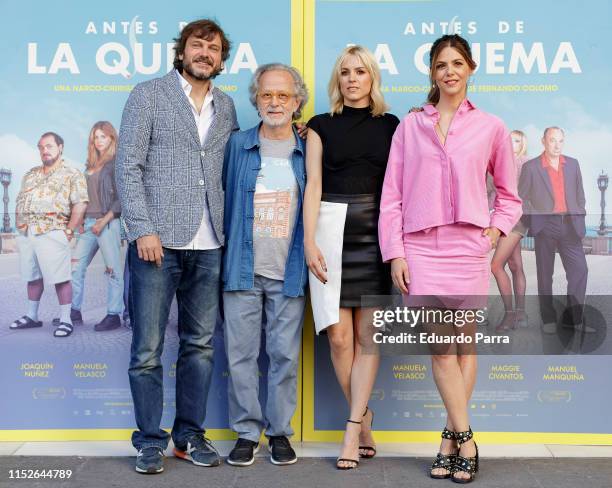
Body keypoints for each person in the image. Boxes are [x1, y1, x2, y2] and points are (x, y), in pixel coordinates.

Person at [378, 34, 521, 483]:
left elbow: (510, 196)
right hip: (421, 247)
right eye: (441, 65)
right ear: (432, 73)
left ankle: (448, 441)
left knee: (465, 345)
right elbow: (392, 196)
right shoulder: (410, 126)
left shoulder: (491, 127)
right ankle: (468, 438)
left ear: (470, 68)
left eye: (457, 63)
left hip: (468, 247)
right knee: (442, 348)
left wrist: (494, 231)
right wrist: (395, 252)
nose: (450, 72)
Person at [115, 19, 238, 474]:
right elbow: (128, 166)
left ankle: (189, 435)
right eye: (197, 45)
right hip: (157, 243)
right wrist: (142, 227)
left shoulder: (226, 107)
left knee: (200, 345)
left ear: (223, 59)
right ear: (181, 51)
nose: (205, 53)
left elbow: (237, 160)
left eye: (214, 48)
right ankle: (150, 441)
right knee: (146, 349)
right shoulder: (148, 95)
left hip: (211, 243)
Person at [304, 45, 399, 470]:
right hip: (330, 230)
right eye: (345, 72)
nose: (352, 79)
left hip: (377, 234)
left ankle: (351, 428)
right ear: (337, 80)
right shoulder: (319, 125)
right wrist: (308, 241)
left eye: (360, 71)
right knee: (339, 338)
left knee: (368, 338)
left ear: (372, 77)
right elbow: (313, 184)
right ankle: (364, 418)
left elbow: (401, 186)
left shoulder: (393, 125)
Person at [222, 63, 308, 467]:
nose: (275, 102)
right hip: (241, 267)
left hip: (288, 270)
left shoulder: (309, 148)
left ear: (297, 102)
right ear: (256, 99)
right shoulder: (236, 145)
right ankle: (245, 432)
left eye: (283, 95)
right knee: (239, 356)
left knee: (284, 357)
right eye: (267, 94)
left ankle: (279, 433)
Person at [10, 132, 88, 338]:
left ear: (60, 147)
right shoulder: (30, 174)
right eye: (41, 147)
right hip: (28, 233)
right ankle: (32, 316)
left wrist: (69, 230)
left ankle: (65, 319)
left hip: (53, 230)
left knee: (61, 277)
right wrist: (19, 223)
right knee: (32, 276)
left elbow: (80, 203)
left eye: (49, 146)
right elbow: (20, 199)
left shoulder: (72, 173)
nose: (44, 150)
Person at [518, 127, 588, 333]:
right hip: (545, 226)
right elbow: (521, 198)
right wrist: (534, 220)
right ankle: (547, 318)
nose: (557, 145)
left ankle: (572, 318)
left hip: (570, 225)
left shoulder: (573, 164)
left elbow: (580, 195)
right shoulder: (531, 167)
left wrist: (579, 213)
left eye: (560, 141)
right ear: (543, 141)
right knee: (545, 274)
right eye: (552, 140)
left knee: (580, 270)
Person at [69, 121, 124, 331]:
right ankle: (73, 311)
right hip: (89, 223)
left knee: (112, 271)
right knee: (76, 268)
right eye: (96, 137)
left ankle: (113, 315)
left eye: (103, 136)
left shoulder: (117, 162)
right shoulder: (90, 165)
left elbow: (122, 198)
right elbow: (84, 197)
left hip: (107, 222)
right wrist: (81, 220)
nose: (99, 141)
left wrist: (104, 220)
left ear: (111, 138)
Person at [489, 130, 529, 330]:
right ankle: (520, 313)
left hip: (517, 219)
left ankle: (510, 315)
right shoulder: (496, 162)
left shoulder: (525, 163)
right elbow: (488, 192)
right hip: (499, 217)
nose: (511, 143)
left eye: (516, 140)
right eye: (509, 139)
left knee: (496, 266)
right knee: (515, 265)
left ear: (523, 144)